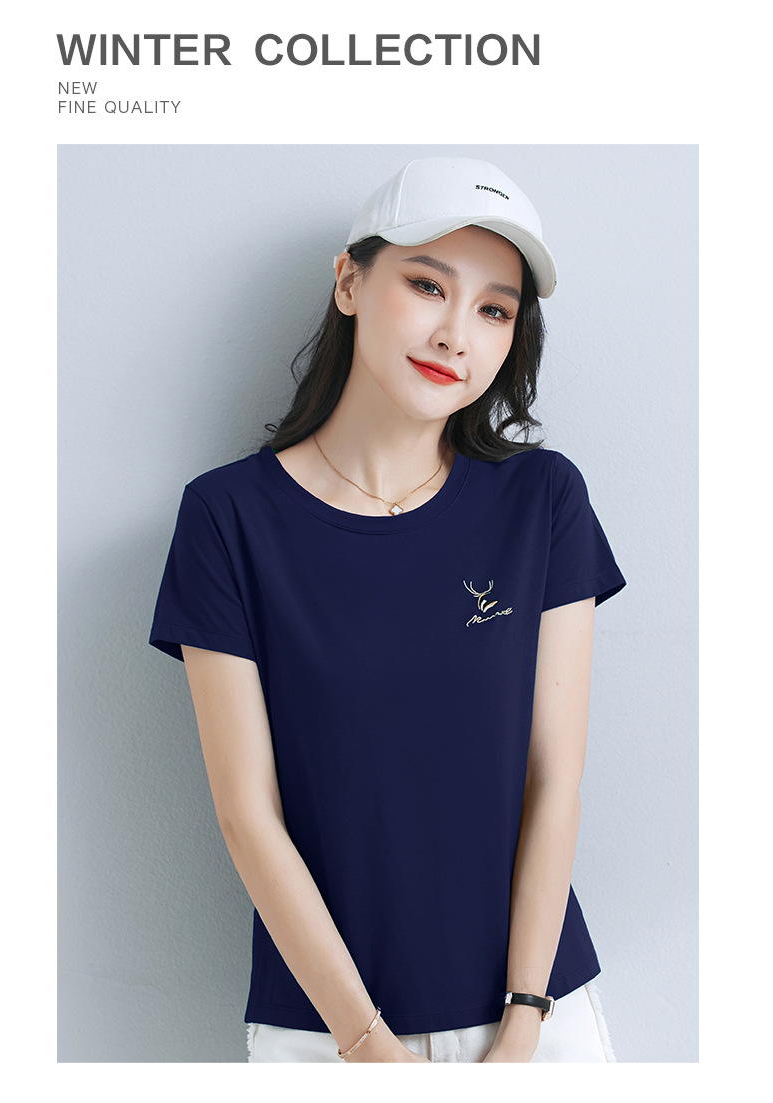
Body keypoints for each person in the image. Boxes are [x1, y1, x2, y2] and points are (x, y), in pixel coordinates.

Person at [148, 156, 626, 1063]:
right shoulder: (228, 519)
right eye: (427, 285)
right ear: (349, 282)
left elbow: (554, 777)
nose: (456, 335)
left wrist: (525, 1024)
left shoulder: (542, 501)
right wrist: (370, 1048)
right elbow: (249, 815)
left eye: (494, 310)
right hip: (324, 1032)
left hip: (540, 1014)